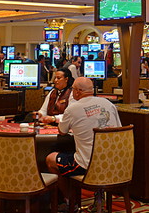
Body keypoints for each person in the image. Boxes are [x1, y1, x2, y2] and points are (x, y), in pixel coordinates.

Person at [46, 77, 121, 206]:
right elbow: (119, 130)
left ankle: (70, 201)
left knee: (51, 159)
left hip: (87, 165)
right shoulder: (109, 104)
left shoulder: (73, 108)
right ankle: (98, 193)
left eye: (73, 89)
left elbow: (62, 131)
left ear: (78, 92)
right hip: (113, 163)